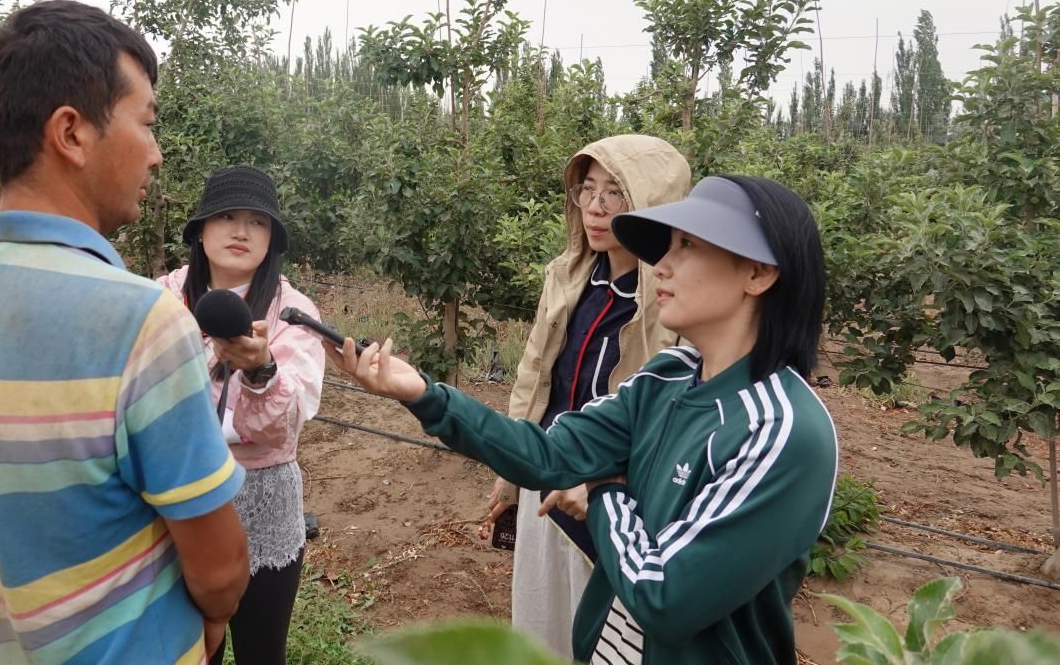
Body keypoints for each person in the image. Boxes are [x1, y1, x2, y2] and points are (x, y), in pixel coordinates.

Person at [328, 175, 839, 665]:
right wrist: (423, 394)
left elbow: (665, 597)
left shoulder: (780, 429)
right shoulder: (666, 378)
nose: (661, 266)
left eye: (687, 246)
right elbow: (547, 454)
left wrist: (603, 493)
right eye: (667, 247)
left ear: (758, 273)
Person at [0, 0, 249, 665]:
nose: (157, 154)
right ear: (72, 133)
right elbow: (220, 571)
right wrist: (217, 618)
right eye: (146, 123)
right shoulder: (140, 321)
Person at [482, 135, 689, 660]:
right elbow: (534, 376)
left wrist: (606, 483)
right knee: (541, 621)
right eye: (587, 190)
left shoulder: (672, 306)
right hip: (548, 480)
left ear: (652, 203)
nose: (595, 208)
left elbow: (672, 416)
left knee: (604, 634)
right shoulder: (569, 277)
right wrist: (512, 472)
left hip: (613, 500)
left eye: (615, 192)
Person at [158, 165, 325, 665]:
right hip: (179, 500)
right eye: (227, 217)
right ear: (200, 230)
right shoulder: (161, 300)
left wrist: (260, 370)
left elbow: (283, 424)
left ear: (271, 239)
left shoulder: (292, 312)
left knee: (261, 653)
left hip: (263, 503)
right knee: (188, 652)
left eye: (257, 221)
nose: (241, 231)